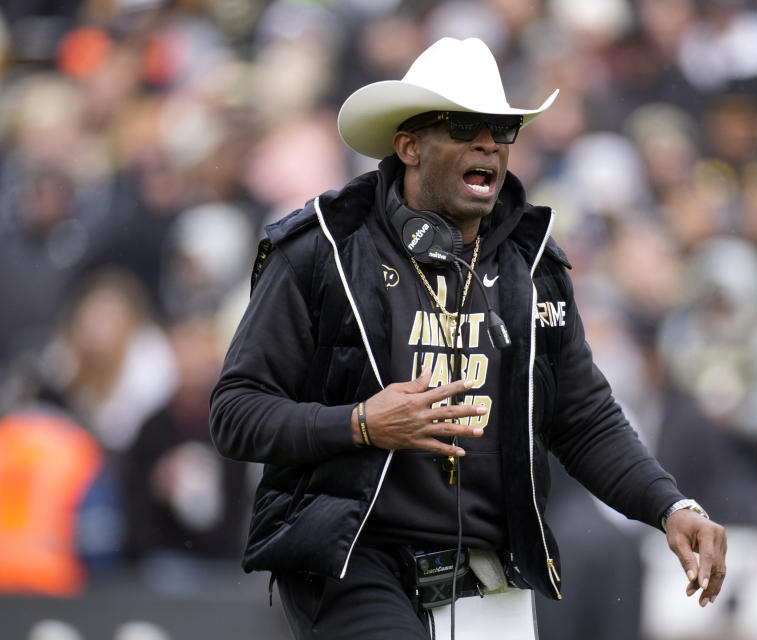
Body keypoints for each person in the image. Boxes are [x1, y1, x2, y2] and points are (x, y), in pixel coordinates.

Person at [209, 37, 726, 640]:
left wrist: (670, 506)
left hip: (487, 572)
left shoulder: (535, 269)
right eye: (462, 126)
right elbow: (235, 412)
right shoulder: (323, 249)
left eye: (501, 130)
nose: (487, 143)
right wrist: (360, 425)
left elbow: (582, 418)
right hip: (351, 558)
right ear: (408, 146)